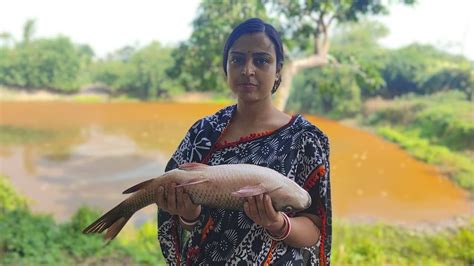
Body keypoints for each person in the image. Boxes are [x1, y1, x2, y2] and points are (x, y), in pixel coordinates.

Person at [156, 18, 332, 265]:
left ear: (278, 69)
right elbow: (180, 222)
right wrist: (188, 215)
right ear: (226, 66)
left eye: (261, 60)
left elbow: (316, 229)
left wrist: (277, 224)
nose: (248, 70)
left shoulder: (306, 139)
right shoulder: (203, 132)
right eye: (237, 59)